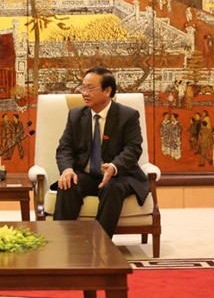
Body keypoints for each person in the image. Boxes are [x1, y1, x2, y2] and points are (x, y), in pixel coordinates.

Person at [52, 67, 149, 237]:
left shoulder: (128, 116)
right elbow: (64, 148)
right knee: (67, 184)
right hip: (88, 174)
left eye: (91, 88)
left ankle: (101, 245)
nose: (84, 93)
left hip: (119, 175)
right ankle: (61, 241)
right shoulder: (76, 115)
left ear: (107, 91)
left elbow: (133, 148)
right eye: (83, 88)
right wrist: (67, 170)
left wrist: (114, 166)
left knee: (113, 187)